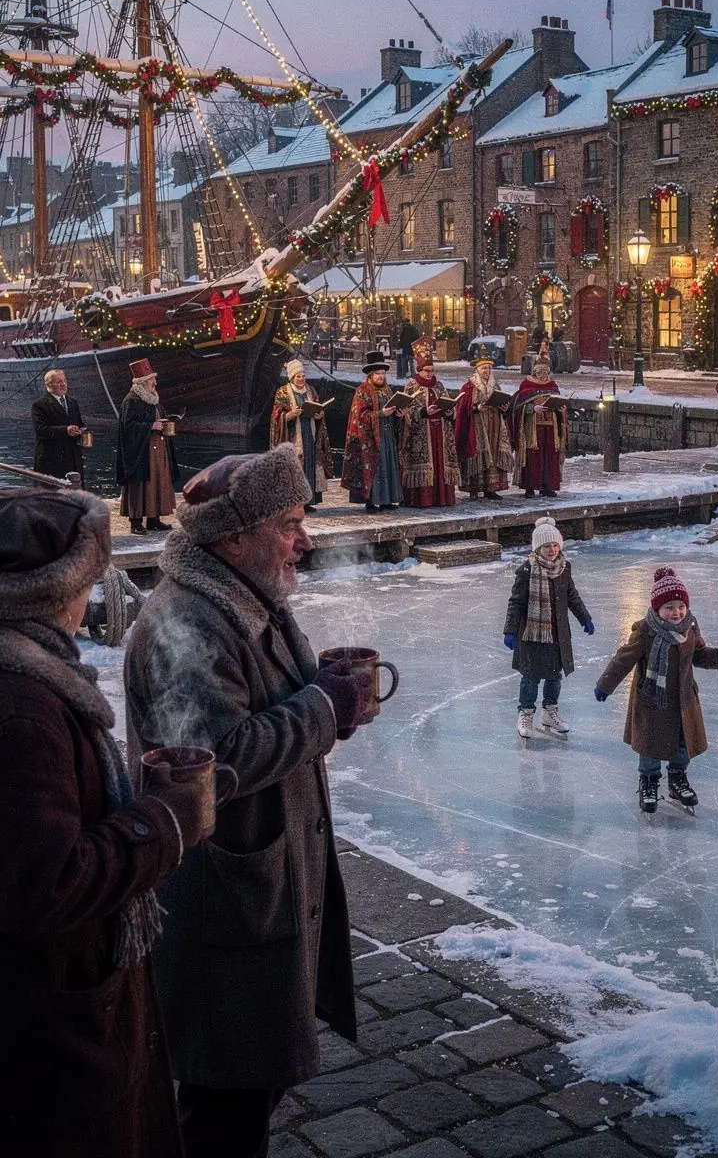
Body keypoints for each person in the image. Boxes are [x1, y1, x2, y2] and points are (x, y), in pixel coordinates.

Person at [125, 447, 360, 1158]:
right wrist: (324, 707)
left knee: (249, 1087)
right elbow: (213, 760)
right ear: (232, 537)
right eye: (288, 524)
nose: (304, 540)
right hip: (224, 904)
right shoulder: (190, 625)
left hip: (262, 890)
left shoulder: (248, 594)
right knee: (224, 1104)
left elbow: (268, 703)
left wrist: (326, 686)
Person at [0, 487, 208, 1157]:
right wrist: (161, 822)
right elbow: (46, 882)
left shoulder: (31, 675)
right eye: (90, 582)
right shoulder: (24, 707)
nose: (94, 598)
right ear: (59, 592)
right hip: (53, 1023)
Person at [594, 565, 718, 813]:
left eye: (681, 606)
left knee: (682, 744)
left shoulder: (690, 627)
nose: (676, 612)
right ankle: (649, 781)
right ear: (657, 608)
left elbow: (699, 655)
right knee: (650, 746)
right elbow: (624, 659)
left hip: (683, 700)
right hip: (653, 699)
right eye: (669, 607)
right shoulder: (646, 630)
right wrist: (605, 685)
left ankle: (677, 779)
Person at [504, 516, 593, 738]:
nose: (552, 550)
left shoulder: (564, 568)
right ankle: (526, 713)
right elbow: (516, 602)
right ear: (537, 548)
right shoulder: (527, 571)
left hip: (557, 635)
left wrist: (585, 618)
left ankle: (549, 712)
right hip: (532, 635)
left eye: (555, 545)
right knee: (531, 676)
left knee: (554, 676)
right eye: (546, 546)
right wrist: (510, 630)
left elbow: (572, 596)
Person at [116, 357, 180, 535]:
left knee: (157, 482)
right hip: (141, 452)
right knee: (139, 485)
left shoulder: (153, 399)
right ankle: (136, 522)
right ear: (142, 382)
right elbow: (127, 427)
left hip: (158, 451)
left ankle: (154, 519)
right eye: (151, 380)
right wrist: (150, 426)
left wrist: (164, 424)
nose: (155, 383)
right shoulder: (131, 400)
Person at [399, 337, 460, 507]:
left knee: (440, 463)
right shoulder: (411, 387)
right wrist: (423, 412)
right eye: (426, 370)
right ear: (419, 370)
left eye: (432, 370)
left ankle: (442, 497)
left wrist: (450, 411)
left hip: (440, 431)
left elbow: (449, 404)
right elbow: (406, 409)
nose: (429, 374)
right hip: (422, 432)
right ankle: (423, 499)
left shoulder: (439, 386)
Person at [341, 349, 403, 510]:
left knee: (388, 464)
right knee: (375, 466)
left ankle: (387, 499)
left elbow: (391, 410)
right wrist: (380, 414)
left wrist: (398, 414)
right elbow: (359, 415)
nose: (381, 376)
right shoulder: (362, 391)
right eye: (378, 373)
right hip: (370, 437)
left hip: (387, 434)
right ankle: (372, 500)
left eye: (383, 373)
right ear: (370, 375)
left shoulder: (387, 390)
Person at [270, 358, 333, 510]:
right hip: (292, 436)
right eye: (298, 376)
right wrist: (290, 415)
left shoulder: (311, 390)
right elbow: (276, 417)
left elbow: (317, 408)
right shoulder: (283, 392)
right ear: (292, 377)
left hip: (309, 433)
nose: (301, 379)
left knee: (309, 465)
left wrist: (319, 415)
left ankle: (308, 502)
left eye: (303, 376)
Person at [454, 347, 514, 500]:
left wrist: (504, 408)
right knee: (477, 454)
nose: (487, 371)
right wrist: (476, 408)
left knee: (493, 454)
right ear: (477, 370)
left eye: (488, 368)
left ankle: (490, 488)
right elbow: (462, 408)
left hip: (494, 425)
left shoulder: (495, 385)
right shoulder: (469, 386)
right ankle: (474, 488)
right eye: (484, 368)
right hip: (476, 425)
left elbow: (502, 402)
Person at [512, 354, 566, 497]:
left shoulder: (552, 385)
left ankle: (547, 486)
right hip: (533, 427)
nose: (544, 375)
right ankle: (530, 486)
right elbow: (518, 406)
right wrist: (532, 408)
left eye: (546, 372)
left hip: (551, 427)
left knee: (550, 457)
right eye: (540, 372)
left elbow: (558, 402)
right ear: (535, 372)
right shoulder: (526, 385)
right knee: (532, 457)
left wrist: (561, 410)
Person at [31, 368, 85, 482]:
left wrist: (82, 433)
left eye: (64, 380)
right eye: (58, 381)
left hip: (73, 461)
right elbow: (41, 430)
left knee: (75, 491)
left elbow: (80, 424)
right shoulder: (39, 405)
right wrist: (66, 430)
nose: (63, 384)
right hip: (52, 463)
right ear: (49, 385)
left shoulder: (73, 402)